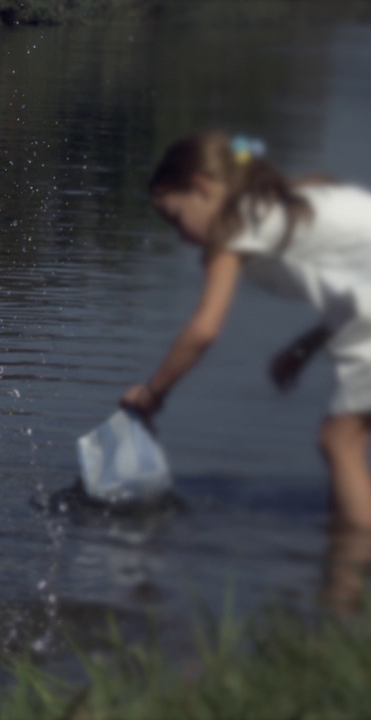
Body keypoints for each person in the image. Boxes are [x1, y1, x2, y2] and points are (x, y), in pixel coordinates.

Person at [122, 131, 371, 535]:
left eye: (177, 218)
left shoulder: (236, 222)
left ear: (202, 188)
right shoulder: (275, 204)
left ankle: (350, 576)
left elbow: (204, 330)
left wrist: (154, 392)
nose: (183, 238)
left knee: (340, 443)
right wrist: (305, 347)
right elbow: (353, 285)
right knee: (346, 443)